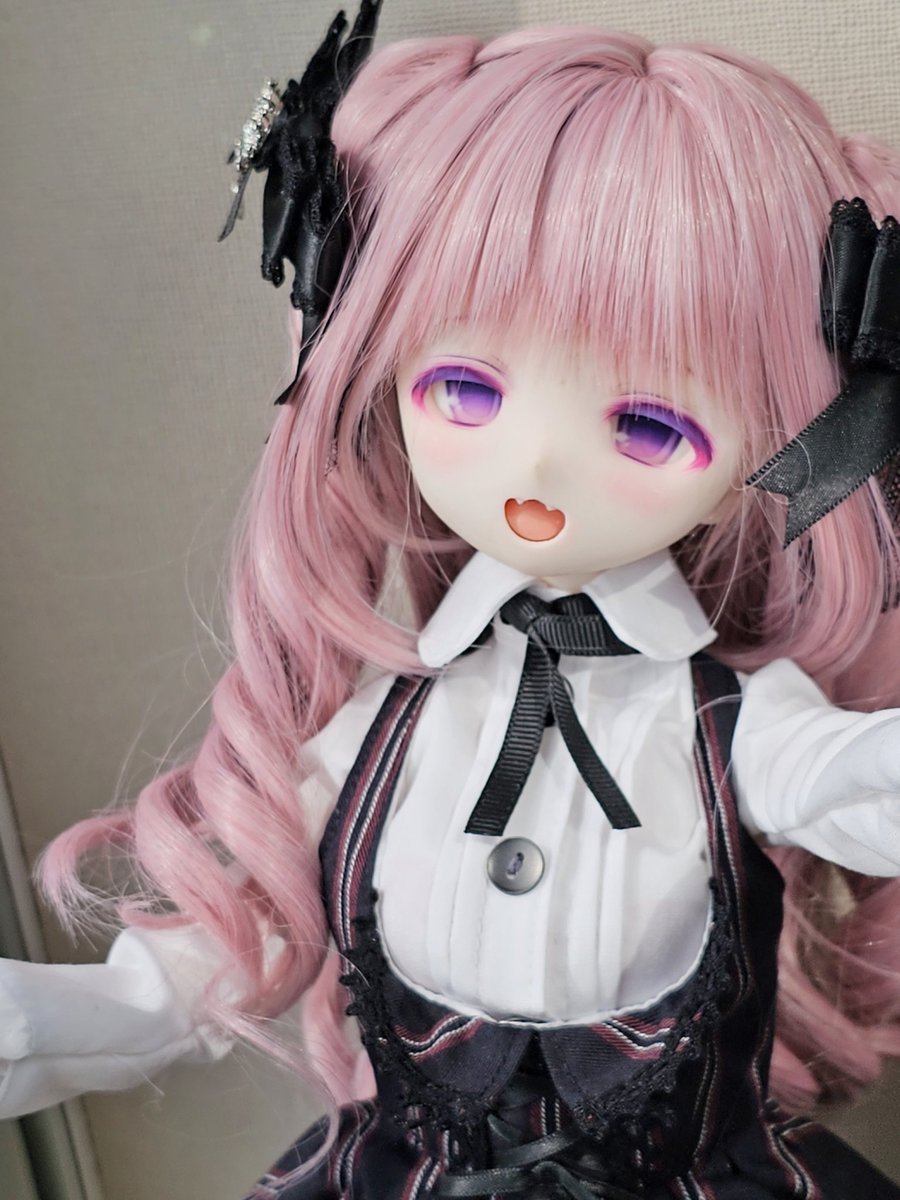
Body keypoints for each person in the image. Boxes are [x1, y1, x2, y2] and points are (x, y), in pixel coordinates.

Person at [2, 10, 900, 1198]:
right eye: (466, 389)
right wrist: (66, 1020)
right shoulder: (379, 729)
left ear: (783, 447)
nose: (535, 466)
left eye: (648, 425)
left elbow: (860, 785)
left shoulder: (740, 728)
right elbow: (205, 957)